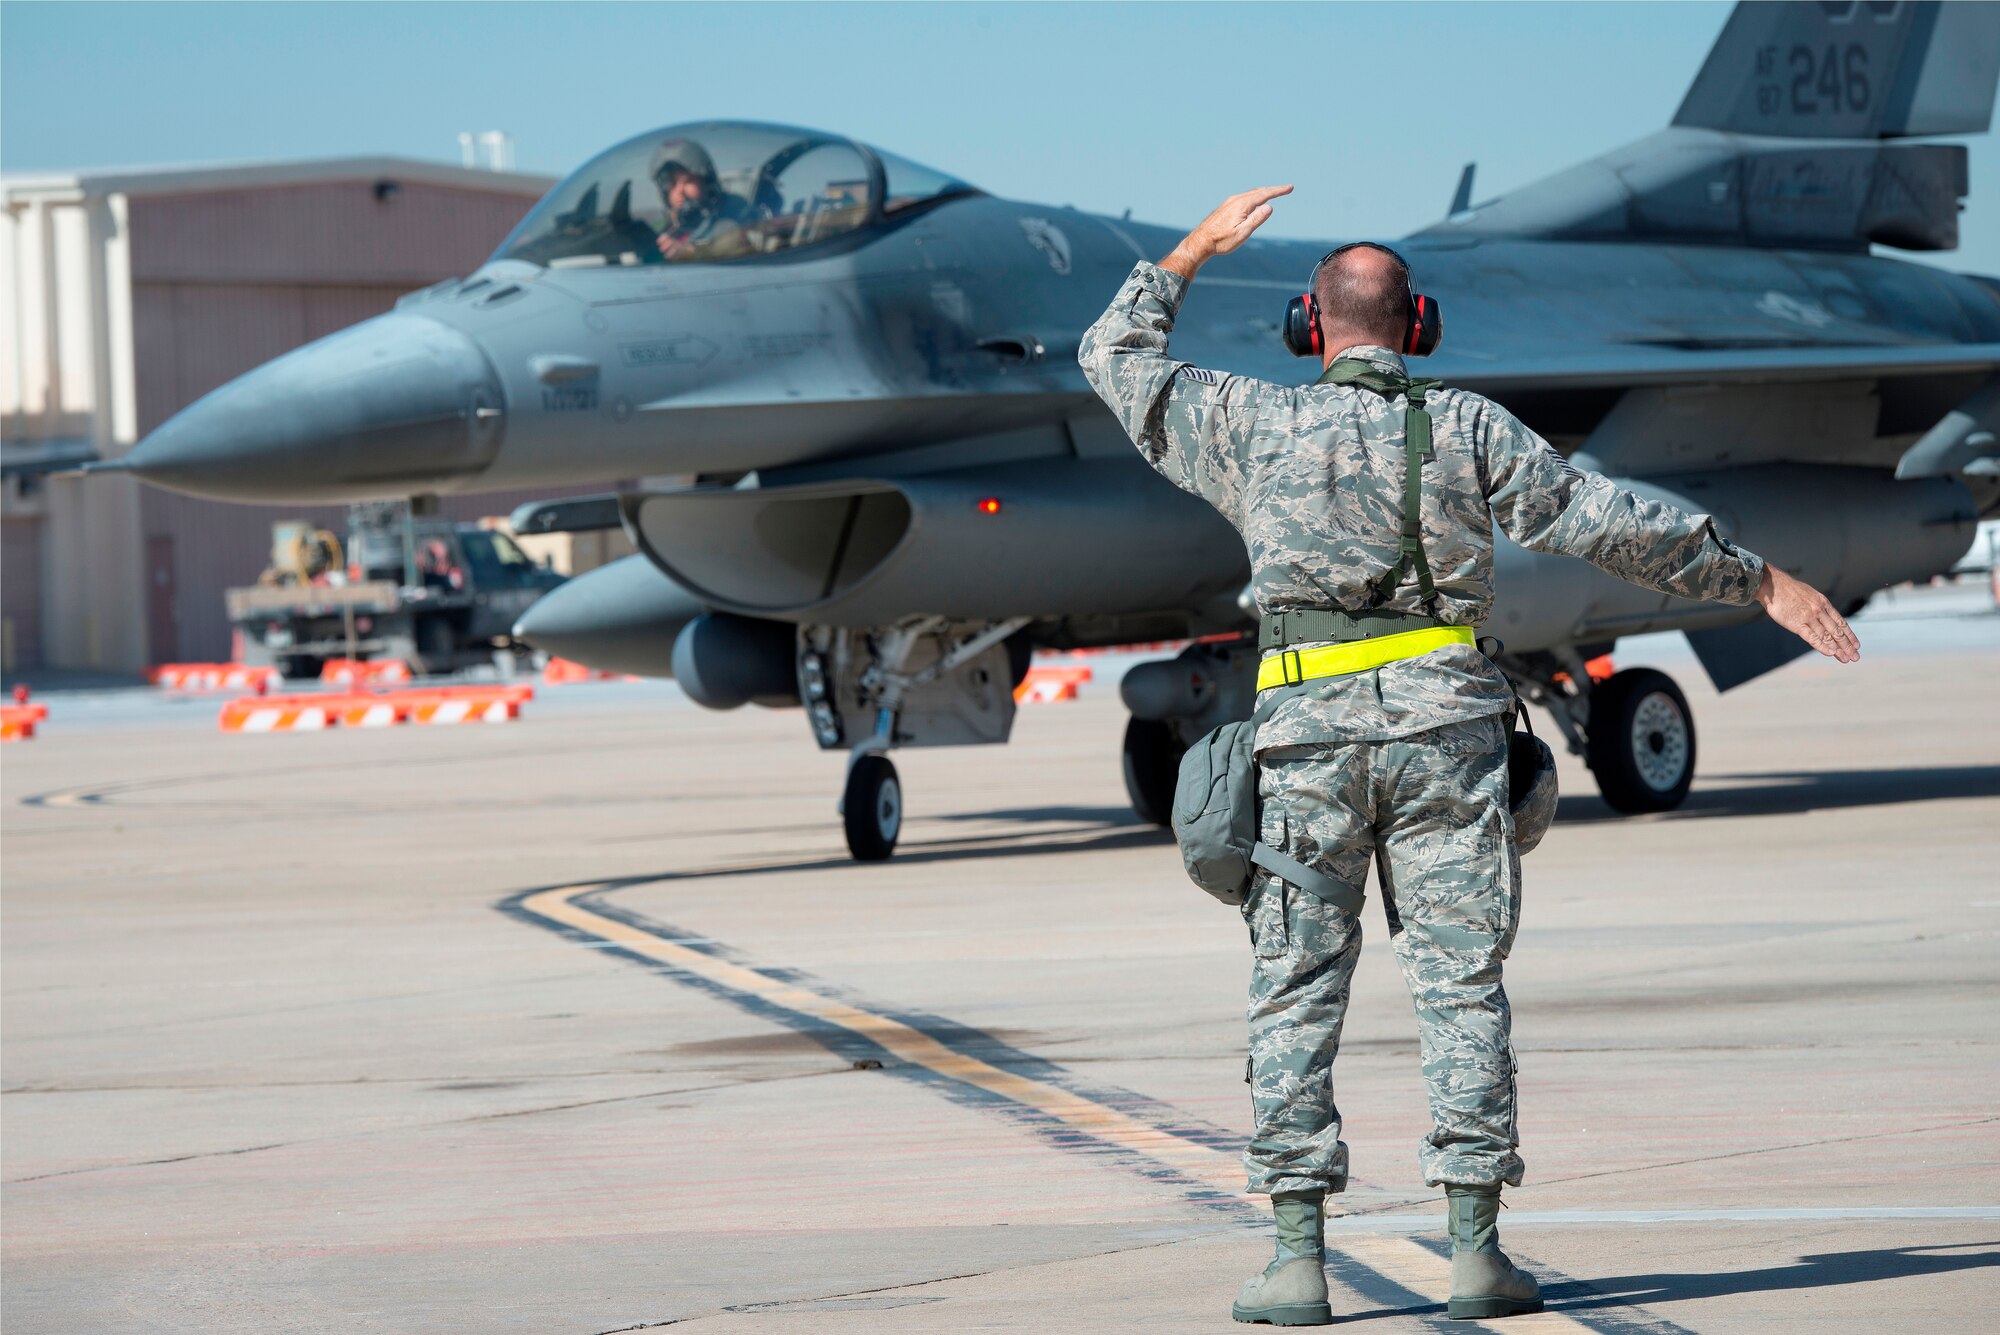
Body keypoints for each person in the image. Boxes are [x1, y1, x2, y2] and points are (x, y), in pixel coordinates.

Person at [1078, 186, 1858, 1325]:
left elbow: (1113, 354)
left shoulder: (1246, 420)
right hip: (1447, 740)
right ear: (1418, 324)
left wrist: (1191, 249)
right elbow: (1609, 522)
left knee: (1293, 991)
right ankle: (1475, 1252)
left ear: (1310, 325)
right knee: (1460, 992)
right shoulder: (1469, 427)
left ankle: (1297, 1262)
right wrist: (1759, 580)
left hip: (1307, 742)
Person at [649, 139, 757, 262]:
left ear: (706, 183)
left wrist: (691, 252)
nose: (679, 191)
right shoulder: (664, 230)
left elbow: (735, 245)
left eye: (688, 181)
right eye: (672, 183)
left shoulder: (735, 212)